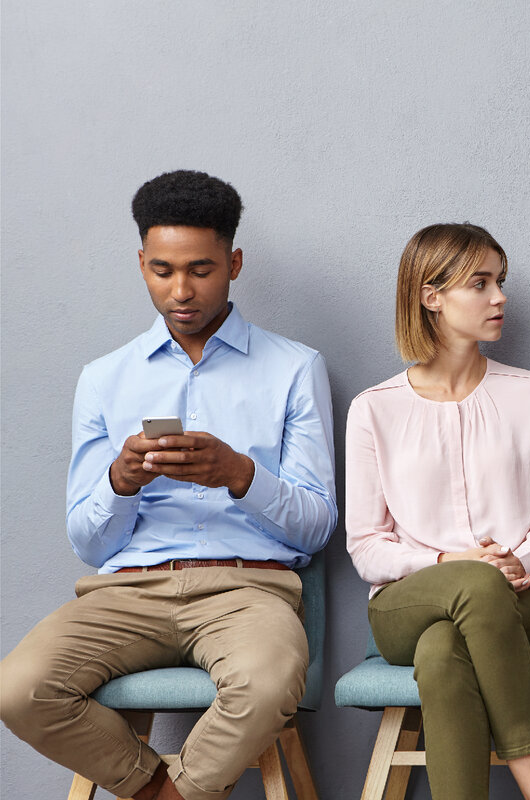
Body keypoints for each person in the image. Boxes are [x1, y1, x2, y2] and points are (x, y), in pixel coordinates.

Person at [0, 170, 337, 800]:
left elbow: (317, 525)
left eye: (201, 270)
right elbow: (88, 543)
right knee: (18, 687)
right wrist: (119, 481)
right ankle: (164, 793)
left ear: (234, 262)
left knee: (268, 683)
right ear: (141, 263)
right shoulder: (104, 378)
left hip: (247, 590)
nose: (180, 290)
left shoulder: (295, 367)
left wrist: (240, 475)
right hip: (128, 591)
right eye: (162, 270)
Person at [345, 222, 530, 800]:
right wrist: (453, 561)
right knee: (467, 589)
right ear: (432, 296)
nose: (500, 297)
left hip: (528, 604)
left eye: (500, 281)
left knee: (442, 650)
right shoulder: (374, 410)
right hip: (406, 604)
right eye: (480, 283)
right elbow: (366, 546)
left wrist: (519, 562)